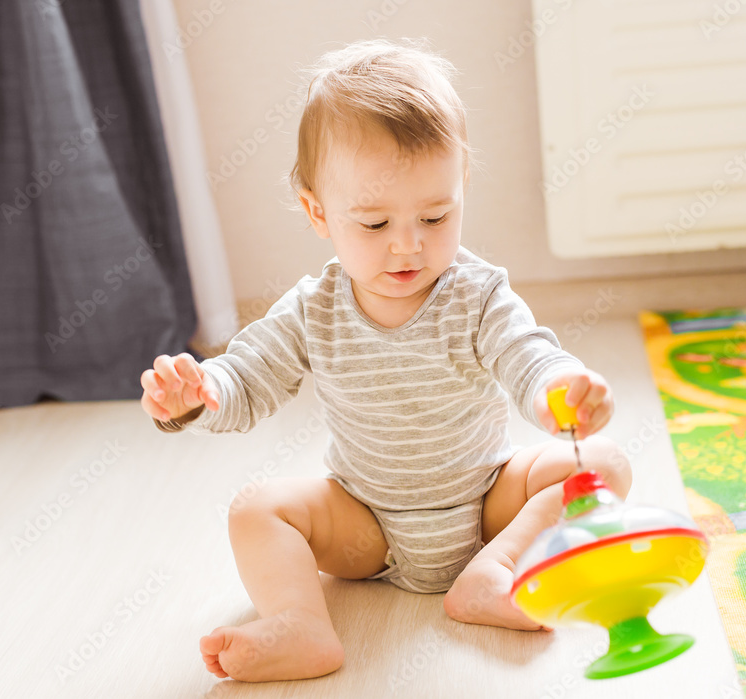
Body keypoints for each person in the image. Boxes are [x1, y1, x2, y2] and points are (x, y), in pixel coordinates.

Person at [139, 38, 630, 683]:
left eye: (435, 214)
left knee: (604, 463)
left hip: (486, 505)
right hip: (365, 525)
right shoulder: (314, 310)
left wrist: (563, 390)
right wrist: (200, 394)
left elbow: (528, 358)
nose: (409, 245)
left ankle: (496, 571)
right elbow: (248, 378)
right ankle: (301, 626)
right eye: (373, 225)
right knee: (255, 509)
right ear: (318, 212)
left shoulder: (478, 295)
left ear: (462, 188)